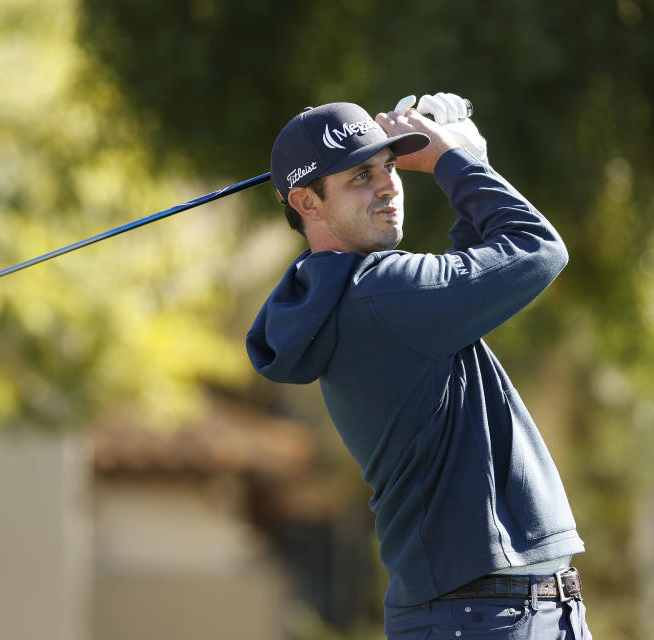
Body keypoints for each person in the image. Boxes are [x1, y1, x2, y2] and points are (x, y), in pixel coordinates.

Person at [246, 94, 591, 639]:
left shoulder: (356, 297)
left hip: (489, 615)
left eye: (388, 167)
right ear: (308, 204)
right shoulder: (380, 292)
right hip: (486, 619)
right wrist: (457, 163)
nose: (387, 185)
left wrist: (471, 158)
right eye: (360, 175)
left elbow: (473, 274)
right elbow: (537, 250)